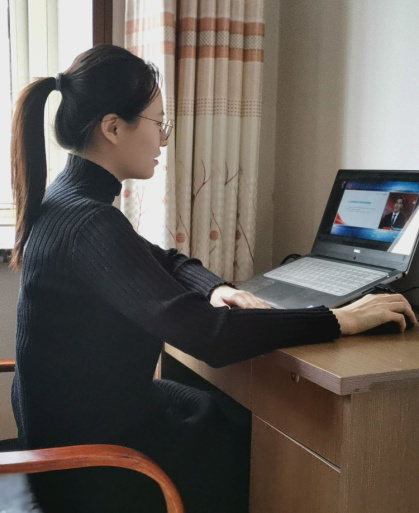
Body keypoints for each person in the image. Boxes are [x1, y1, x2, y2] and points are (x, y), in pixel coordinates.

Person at [10, 45, 416, 513]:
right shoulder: (90, 223)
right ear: (113, 128)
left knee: (225, 409)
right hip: (90, 469)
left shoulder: (66, 201)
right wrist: (338, 319)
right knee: (249, 437)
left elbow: (166, 261)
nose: (163, 140)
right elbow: (211, 336)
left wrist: (218, 288)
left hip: (83, 431)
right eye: (158, 123)